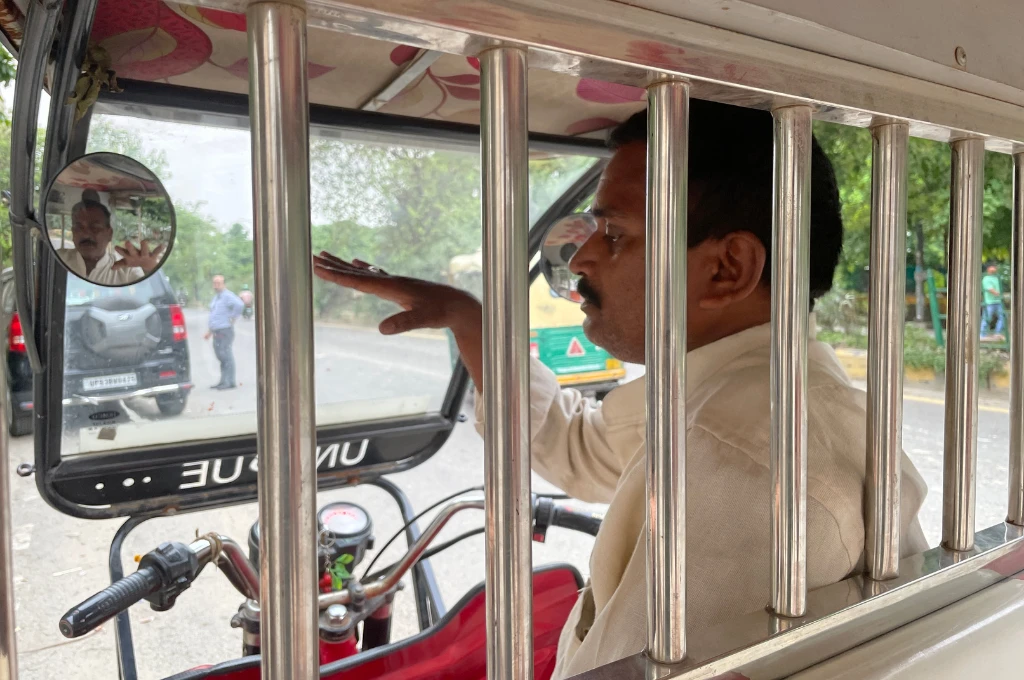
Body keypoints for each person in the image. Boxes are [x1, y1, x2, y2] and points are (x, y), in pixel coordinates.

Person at [313, 101, 928, 678]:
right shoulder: (749, 398)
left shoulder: (738, 471)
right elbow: (581, 447)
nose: (580, 257)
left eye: (614, 235)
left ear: (727, 268)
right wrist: (468, 317)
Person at [56, 198, 164, 285]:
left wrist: (148, 268)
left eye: (95, 227)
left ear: (109, 234)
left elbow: (152, 296)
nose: (85, 233)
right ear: (73, 232)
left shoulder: (127, 271)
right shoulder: (56, 260)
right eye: (79, 227)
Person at [204, 275, 244, 390]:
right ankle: (223, 380)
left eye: (218, 283)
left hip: (225, 330)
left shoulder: (227, 296)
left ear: (223, 284)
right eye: (214, 283)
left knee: (226, 355)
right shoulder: (217, 298)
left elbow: (239, 305)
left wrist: (233, 317)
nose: (216, 286)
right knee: (221, 356)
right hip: (217, 330)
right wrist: (209, 331)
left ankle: (230, 381)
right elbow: (215, 316)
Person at [981, 263, 1005, 341]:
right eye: (992, 267)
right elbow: (990, 289)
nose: (994, 268)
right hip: (990, 302)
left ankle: (997, 333)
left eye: (995, 267)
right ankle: (982, 334)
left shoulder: (996, 278)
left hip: (998, 301)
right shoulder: (986, 278)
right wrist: (998, 294)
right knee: (987, 318)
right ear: (988, 268)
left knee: (1002, 317)